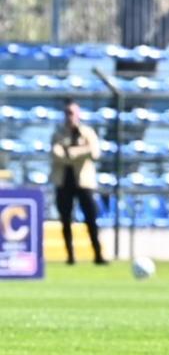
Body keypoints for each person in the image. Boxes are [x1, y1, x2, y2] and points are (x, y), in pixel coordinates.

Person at [50, 98, 106, 265]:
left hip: (84, 182)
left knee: (91, 218)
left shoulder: (87, 132)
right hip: (64, 182)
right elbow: (57, 155)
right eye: (67, 113)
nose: (69, 116)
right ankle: (70, 256)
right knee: (66, 220)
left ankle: (98, 255)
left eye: (72, 113)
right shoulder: (58, 133)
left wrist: (72, 152)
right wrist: (81, 152)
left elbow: (94, 153)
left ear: (78, 114)